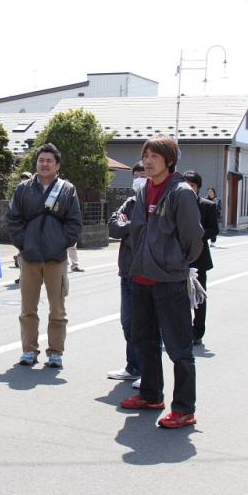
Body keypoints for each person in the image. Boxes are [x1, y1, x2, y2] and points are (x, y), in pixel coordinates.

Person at [119, 135, 203, 430]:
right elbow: (137, 230)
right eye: (146, 155)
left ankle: (184, 409)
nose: (148, 161)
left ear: (170, 160)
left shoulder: (181, 192)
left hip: (169, 280)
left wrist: (175, 263)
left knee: (179, 348)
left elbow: (193, 239)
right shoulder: (144, 189)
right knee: (144, 340)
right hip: (141, 276)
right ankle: (151, 395)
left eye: (155, 156)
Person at [6, 143, 82, 368]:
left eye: (49, 161)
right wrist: (23, 243)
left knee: (57, 309)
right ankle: (28, 350)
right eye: (41, 160)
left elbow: (74, 222)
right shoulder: (23, 189)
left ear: (57, 165)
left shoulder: (67, 189)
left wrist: (60, 243)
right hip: (29, 257)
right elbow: (13, 219)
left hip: (56, 258)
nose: (44, 164)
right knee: (28, 309)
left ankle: (56, 352)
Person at [106, 161, 146, 381]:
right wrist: (132, 225)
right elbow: (113, 227)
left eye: (144, 176)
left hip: (147, 272)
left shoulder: (156, 202)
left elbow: (148, 231)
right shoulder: (129, 203)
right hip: (127, 271)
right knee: (128, 322)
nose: (139, 180)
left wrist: (130, 224)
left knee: (146, 325)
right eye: (136, 176)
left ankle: (147, 372)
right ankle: (133, 367)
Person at [184, 171, 219, 346]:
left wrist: (197, 235)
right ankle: (181, 329)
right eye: (186, 185)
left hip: (199, 257)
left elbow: (214, 229)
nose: (189, 188)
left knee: (199, 295)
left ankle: (197, 331)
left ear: (198, 188)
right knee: (178, 295)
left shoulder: (207, 206)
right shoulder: (176, 203)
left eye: (192, 185)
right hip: (178, 257)